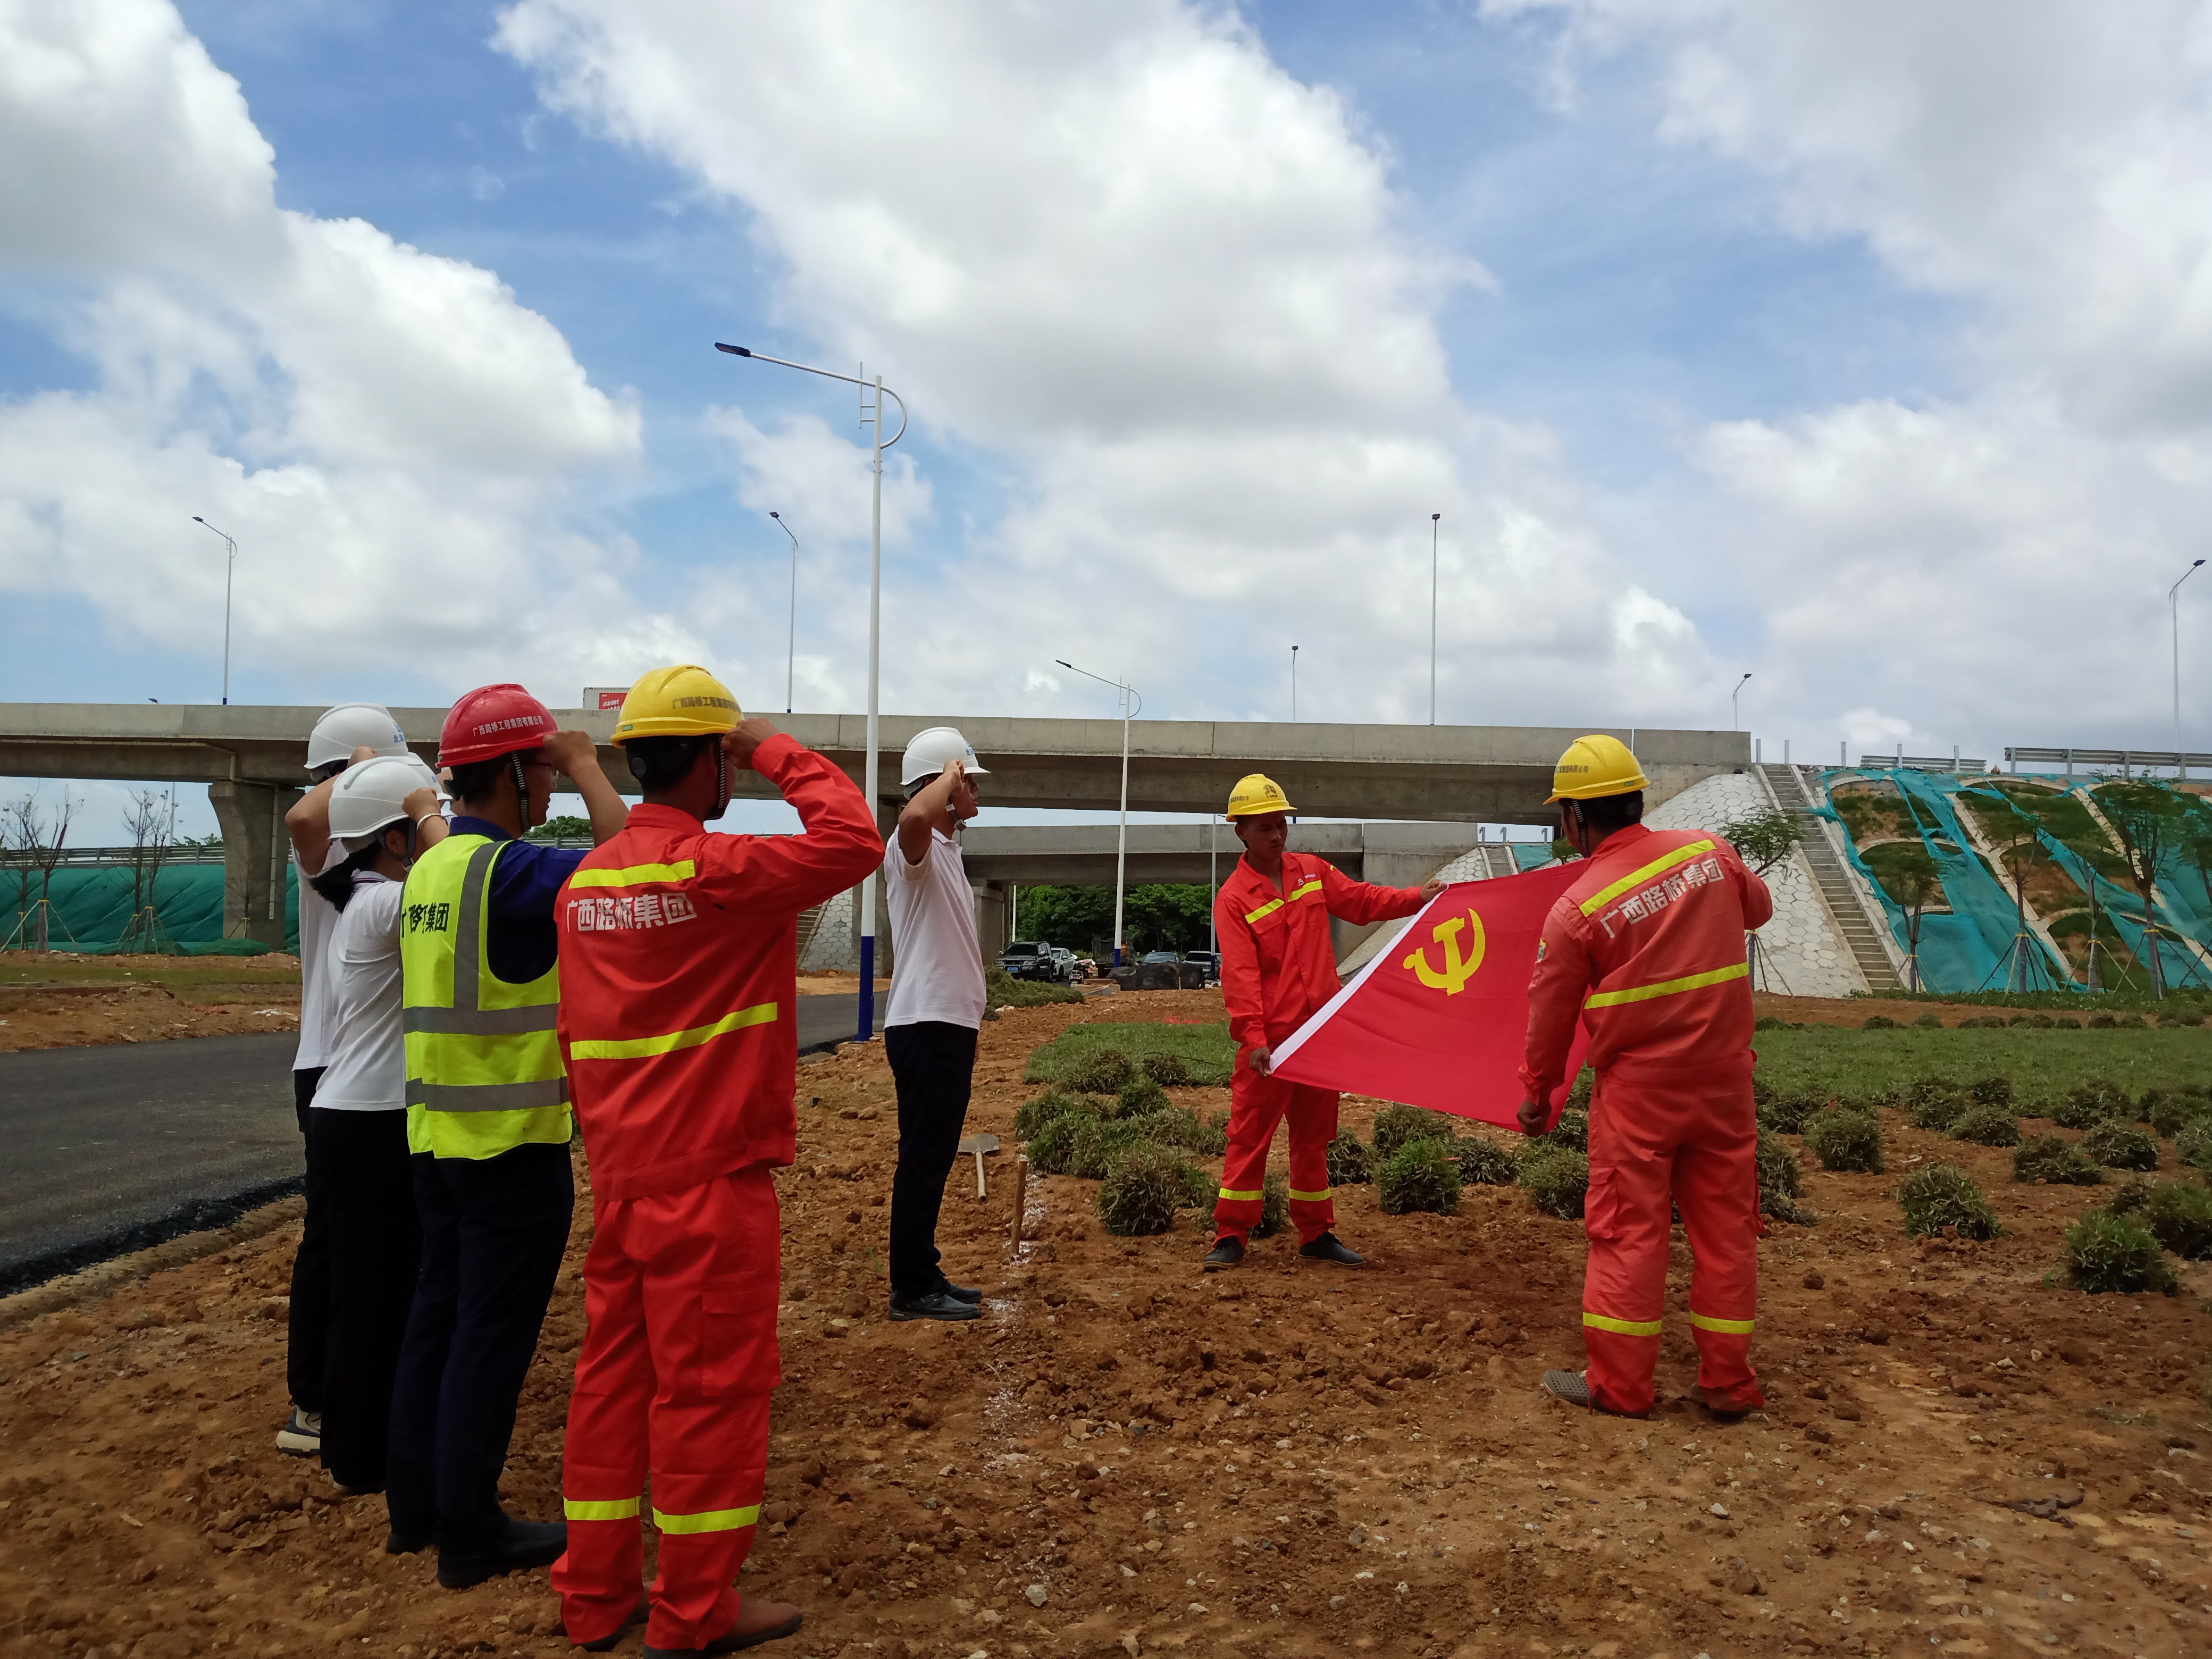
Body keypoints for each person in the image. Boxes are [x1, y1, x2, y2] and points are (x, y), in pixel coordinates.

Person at [549, 666, 878, 1657]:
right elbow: (851, 841)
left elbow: (575, 1034)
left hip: (623, 1182)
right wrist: (772, 748)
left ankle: (593, 1597)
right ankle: (693, 1611)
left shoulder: (585, 885)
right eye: (727, 755)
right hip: (710, 1183)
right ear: (711, 760)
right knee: (707, 1395)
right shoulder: (718, 871)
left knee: (612, 1386)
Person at [388, 684, 628, 1589]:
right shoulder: (511, 873)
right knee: (489, 1337)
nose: (555, 788)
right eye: (545, 771)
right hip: (510, 1144)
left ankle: (416, 1509)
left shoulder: (433, 867)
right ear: (513, 777)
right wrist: (590, 763)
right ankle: (469, 1531)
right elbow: (630, 863)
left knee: (436, 1320)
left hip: (434, 1136)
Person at [1515, 734, 1773, 1420]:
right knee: (1726, 1232)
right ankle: (1727, 1384)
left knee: (1628, 1232)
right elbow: (1759, 910)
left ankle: (1619, 1387)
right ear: (1636, 799)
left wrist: (1536, 1093)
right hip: (1724, 1083)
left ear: (1574, 817)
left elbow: (1549, 1013)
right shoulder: (1709, 852)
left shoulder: (1575, 909)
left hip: (1639, 1094)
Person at [1205, 773, 1442, 1270]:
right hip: (1271, 1044)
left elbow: (1363, 901)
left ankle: (1316, 1234)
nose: (1277, 834)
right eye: (1265, 827)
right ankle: (1231, 1234)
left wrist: (1416, 897)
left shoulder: (1311, 872)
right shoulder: (1234, 898)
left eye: (1282, 824)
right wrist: (1254, 1038)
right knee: (1249, 1138)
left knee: (1313, 1139)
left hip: (1320, 1034)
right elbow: (1241, 977)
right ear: (1240, 831)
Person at [295, 753, 447, 1495]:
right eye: (412, 827)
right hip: (371, 1124)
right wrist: (430, 811)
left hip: (354, 1116)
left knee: (367, 1292)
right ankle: (359, 1459)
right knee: (374, 1298)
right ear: (393, 840)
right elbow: (457, 875)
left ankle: (356, 1447)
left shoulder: (358, 898)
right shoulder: (385, 903)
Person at [279, 702, 410, 1459]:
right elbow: (302, 817)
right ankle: (316, 1403)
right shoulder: (335, 853)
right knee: (334, 1243)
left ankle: (349, 1393)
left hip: (356, 1066)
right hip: (333, 1064)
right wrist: (370, 766)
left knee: (362, 1243)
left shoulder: (375, 856)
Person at [881, 726, 991, 1323]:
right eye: (968, 782)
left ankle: (924, 1270)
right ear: (943, 787)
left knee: (934, 1154)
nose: (975, 792)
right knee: (924, 1157)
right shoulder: (912, 850)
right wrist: (948, 775)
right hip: (926, 1024)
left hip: (947, 1025)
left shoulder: (948, 853)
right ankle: (912, 1287)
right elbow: (912, 819)